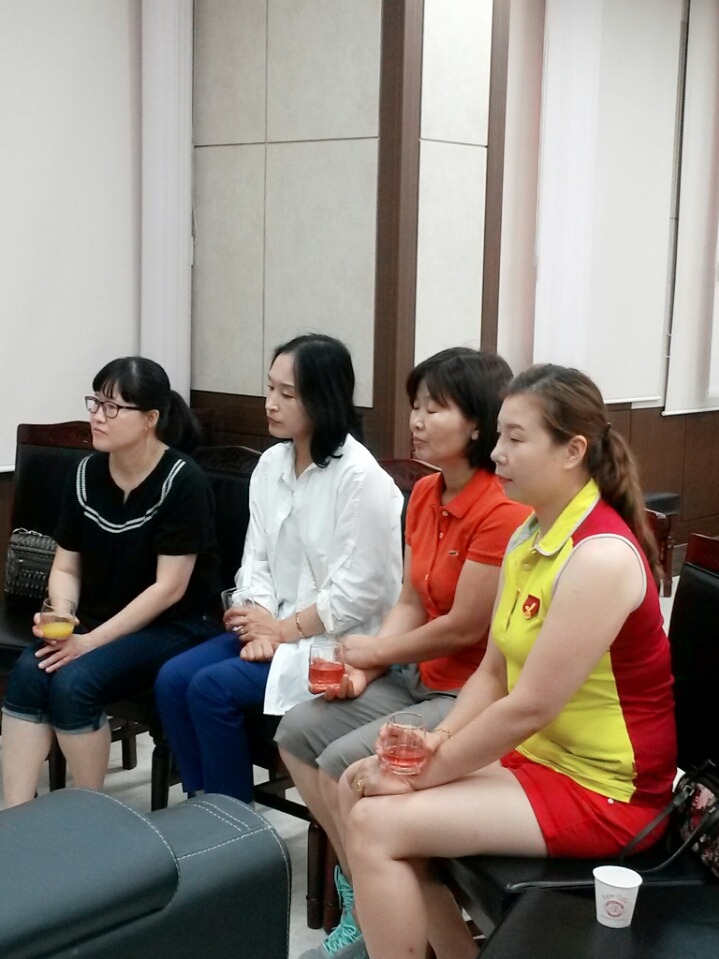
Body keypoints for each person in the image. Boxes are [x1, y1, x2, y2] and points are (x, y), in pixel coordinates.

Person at [339, 363, 677, 959]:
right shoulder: (529, 534)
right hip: (541, 758)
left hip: (605, 791)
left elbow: (530, 706)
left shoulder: (599, 556)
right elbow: (492, 674)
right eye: (498, 435)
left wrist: (425, 773)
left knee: (375, 822)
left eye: (516, 438)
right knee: (356, 785)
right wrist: (437, 741)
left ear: (573, 451)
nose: (497, 453)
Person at [276, 347, 530, 959]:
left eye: (434, 408)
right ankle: (368, 898)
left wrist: (376, 650)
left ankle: (383, 912)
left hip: (465, 688)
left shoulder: (503, 508)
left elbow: (464, 629)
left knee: (345, 763)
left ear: (478, 424)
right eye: (416, 405)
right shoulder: (424, 493)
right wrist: (369, 665)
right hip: (418, 674)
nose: (416, 420)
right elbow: (413, 600)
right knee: (297, 729)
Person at [154, 333, 404, 804]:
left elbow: (359, 592)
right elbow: (257, 558)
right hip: (275, 629)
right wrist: (259, 623)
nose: (270, 403)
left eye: (286, 394)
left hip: (335, 645)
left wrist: (282, 631)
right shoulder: (271, 464)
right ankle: (202, 805)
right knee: (172, 679)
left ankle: (235, 826)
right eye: (270, 388)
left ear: (323, 399)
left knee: (211, 688)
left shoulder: (361, 478)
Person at [2, 356, 221, 806]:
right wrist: (63, 615)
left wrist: (89, 642)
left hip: (176, 625)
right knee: (29, 673)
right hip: (100, 618)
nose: (97, 416)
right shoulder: (86, 473)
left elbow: (169, 588)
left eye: (113, 407)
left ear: (150, 419)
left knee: (75, 683)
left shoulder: (183, 481)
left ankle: (91, 816)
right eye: (96, 403)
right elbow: (66, 566)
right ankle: (15, 815)